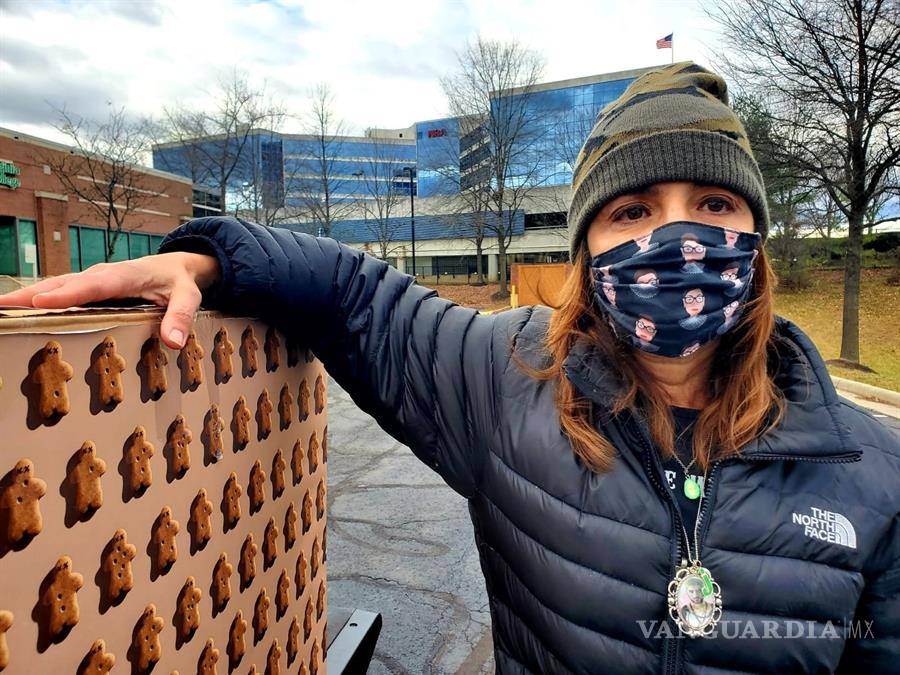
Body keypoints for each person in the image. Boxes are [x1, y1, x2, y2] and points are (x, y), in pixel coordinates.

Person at [1, 62, 897, 674]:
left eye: (712, 202)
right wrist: (206, 259)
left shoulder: (874, 477)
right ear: (587, 246)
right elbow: (354, 293)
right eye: (631, 210)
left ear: (757, 238)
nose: (674, 237)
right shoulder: (505, 379)